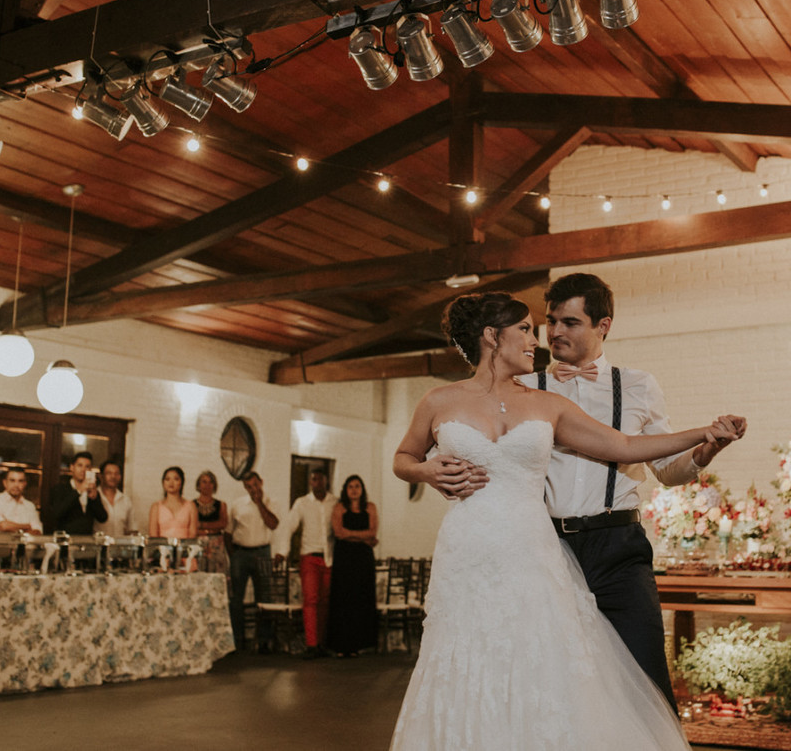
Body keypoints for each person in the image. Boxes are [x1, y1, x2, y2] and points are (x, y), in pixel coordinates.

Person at [390, 292, 744, 750]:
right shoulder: (437, 400)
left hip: (531, 548)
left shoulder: (545, 404)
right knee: (469, 655)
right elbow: (404, 457)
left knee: (542, 659)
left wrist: (704, 432)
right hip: (468, 551)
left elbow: (624, 447)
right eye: (526, 329)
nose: (537, 341)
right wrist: (423, 470)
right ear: (491, 336)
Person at [273, 471, 334, 660]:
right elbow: (288, 526)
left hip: (330, 558)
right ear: (310, 482)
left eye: (321, 479)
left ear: (326, 481)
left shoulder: (335, 502)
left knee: (325, 601)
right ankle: (311, 644)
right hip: (309, 557)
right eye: (314, 479)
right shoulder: (302, 503)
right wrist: (282, 551)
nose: (318, 482)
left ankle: (322, 643)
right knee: (311, 600)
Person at [326, 474, 379, 657]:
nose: (354, 489)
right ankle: (341, 645)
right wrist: (363, 537)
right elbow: (338, 533)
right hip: (344, 558)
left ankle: (359, 644)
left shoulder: (370, 507)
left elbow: (373, 532)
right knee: (343, 599)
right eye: (350, 486)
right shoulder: (339, 507)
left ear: (362, 489)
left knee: (360, 598)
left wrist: (352, 535)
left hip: (363, 559)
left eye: (357, 486)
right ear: (345, 490)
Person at [227, 470, 280, 652]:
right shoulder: (237, 505)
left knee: (264, 598)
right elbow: (228, 532)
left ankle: (264, 641)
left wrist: (260, 504)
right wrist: (233, 554)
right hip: (241, 553)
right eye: (249, 487)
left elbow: (273, 524)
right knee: (236, 599)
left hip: (262, 552)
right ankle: (237, 640)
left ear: (261, 482)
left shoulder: (272, 502)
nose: (253, 489)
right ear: (244, 487)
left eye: (255, 485)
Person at [47, 451, 108, 534]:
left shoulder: (92, 489)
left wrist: (94, 499)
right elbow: (57, 513)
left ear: (90, 470)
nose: (83, 469)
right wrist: (78, 491)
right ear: (72, 467)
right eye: (80, 465)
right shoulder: (59, 489)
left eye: (87, 467)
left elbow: (103, 518)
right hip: (65, 540)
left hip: (86, 541)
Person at [194, 469, 231, 578]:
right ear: (198, 485)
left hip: (216, 545)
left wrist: (202, 525)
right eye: (204, 481)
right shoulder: (191, 505)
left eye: (211, 482)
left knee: (217, 575)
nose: (207, 485)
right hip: (198, 544)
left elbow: (223, 523)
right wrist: (212, 527)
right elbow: (191, 525)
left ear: (214, 485)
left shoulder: (221, 505)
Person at [0, 466, 42, 533]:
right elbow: (3, 526)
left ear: (25, 484)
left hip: (25, 544)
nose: (16, 485)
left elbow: (37, 532)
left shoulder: (30, 506)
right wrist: (27, 526)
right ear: (5, 483)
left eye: (20, 481)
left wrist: (12, 526)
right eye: (12, 480)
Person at [148, 466, 198, 539]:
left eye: (176, 479)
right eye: (167, 479)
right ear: (163, 482)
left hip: (184, 548)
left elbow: (193, 534)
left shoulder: (191, 506)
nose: (171, 483)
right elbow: (153, 535)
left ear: (182, 482)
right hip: (162, 548)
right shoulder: (156, 506)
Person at [92, 458, 134, 536]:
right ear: (101, 476)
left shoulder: (126, 500)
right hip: (97, 546)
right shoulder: (93, 497)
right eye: (109, 473)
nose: (113, 476)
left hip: (120, 546)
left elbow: (130, 529)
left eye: (117, 473)